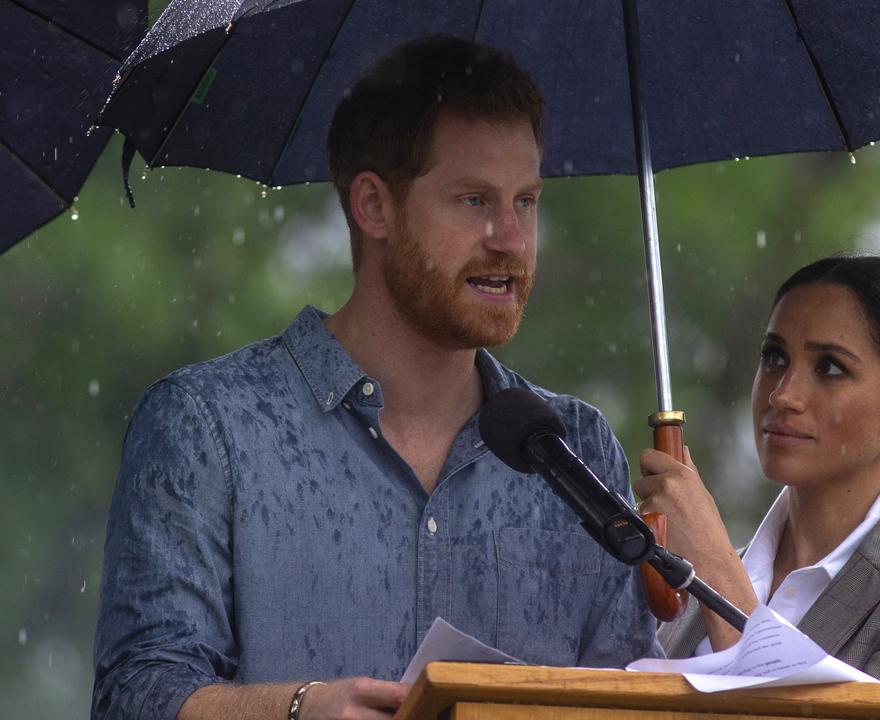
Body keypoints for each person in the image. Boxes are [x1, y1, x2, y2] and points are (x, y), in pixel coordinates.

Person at [92, 36, 659, 720]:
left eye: (526, 201)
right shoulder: (204, 427)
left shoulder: (581, 452)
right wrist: (298, 710)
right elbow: (136, 696)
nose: (510, 238)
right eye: (475, 200)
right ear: (374, 207)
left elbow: (630, 700)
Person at [636, 255, 880, 687]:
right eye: (774, 357)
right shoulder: (683, 588)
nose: (783, 394)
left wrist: (716, 574)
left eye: (830, 367)